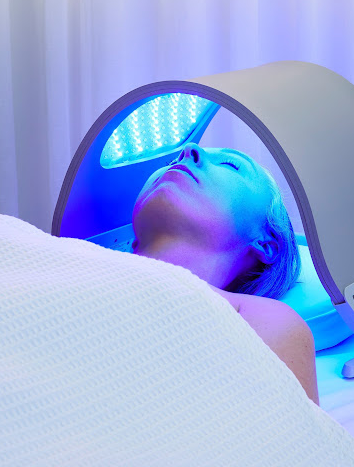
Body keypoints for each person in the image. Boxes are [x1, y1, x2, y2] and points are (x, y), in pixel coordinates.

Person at [131, 142, 319, 405]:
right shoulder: (74, 255)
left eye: (230, 165)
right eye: (169, 163)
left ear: (266, 243)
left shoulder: (266, 323)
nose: (188, 151)